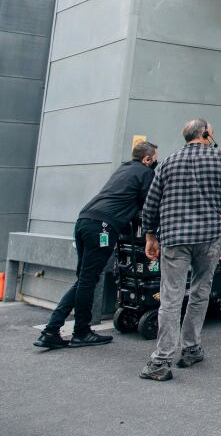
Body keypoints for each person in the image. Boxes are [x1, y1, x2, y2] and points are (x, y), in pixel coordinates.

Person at [139, 120, 221, 381]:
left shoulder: (169, 162)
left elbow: (151, 203)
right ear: (205, 134)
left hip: (175, 237)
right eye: (211, 132)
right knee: (200, 292)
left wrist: (150, 236)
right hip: (209, 237)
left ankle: (160, 361)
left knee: (170, 298)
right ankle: (190, 348)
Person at [34, 140, 159, 350]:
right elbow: (148, 205)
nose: (156, 162)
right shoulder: (145, 173)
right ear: (147, 159)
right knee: (88, 279)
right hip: (102, 227)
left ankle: (51, 330)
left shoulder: (124, 169)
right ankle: (80, 332)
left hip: (85, 220)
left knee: (84, 278)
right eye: (155, 158)